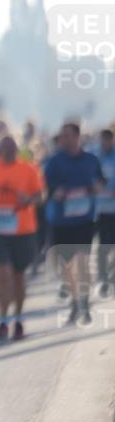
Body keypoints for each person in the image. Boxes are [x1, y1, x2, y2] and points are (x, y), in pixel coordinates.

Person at [0, 135, 45, 340]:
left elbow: (41, 196)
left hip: (23, 230)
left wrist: (29, 199)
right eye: (4, 147)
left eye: (12, 148)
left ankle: (18, 318)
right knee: (4, 272)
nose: (8, 151)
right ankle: (3, 321)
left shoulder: (29, 169)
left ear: (17, 149)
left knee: (18, 276)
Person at [44, 122, 105, 325]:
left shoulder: (91, 160)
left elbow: (100, 180)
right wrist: (56, 192)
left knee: (83, 261)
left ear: (77, 137)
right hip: (62, 221)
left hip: (85, 220)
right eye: (62, 136)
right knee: (66, 266)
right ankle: (74, 299)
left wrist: (97, 186)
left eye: (67, 136)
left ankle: (84, 302)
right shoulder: (55, 162)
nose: (64, 140)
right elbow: (46, 185)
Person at [95, 128, 115, 298]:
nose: (105, 143)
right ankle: (103, 277)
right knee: (104, 245)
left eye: (108, 140)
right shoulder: (96, 156)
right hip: (101, 209)